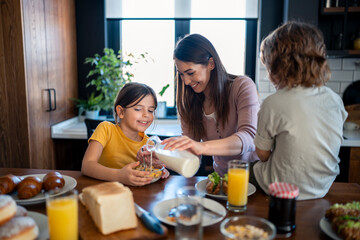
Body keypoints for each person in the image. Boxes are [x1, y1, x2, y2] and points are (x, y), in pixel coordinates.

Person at [253, 21, 348, 200]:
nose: (268, 75)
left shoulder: (273, 103)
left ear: (279, 66)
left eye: (268, 67)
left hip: (280, 187)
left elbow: (262, 154)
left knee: (242, 170)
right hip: (321, 187)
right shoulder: (335, 100)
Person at [161, 33, 260, 176]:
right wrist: (164, 160)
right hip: (221, 177)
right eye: (181, 74)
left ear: (211, 64)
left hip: (253, 176)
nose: (187, 82)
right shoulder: (188, 102)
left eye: (190, 73)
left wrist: (202, 147)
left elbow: (249, 138)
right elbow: (192, 154)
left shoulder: (242, 86)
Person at [81, 82, 169, 186]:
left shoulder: (148, 145)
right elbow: (87, 166)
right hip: (102, 191)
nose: (146, 115)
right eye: (138, 109)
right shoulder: (105, 129)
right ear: (121, 111)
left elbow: (148, 171)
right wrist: (119, 176)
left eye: (150, 110)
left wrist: (159, 169)